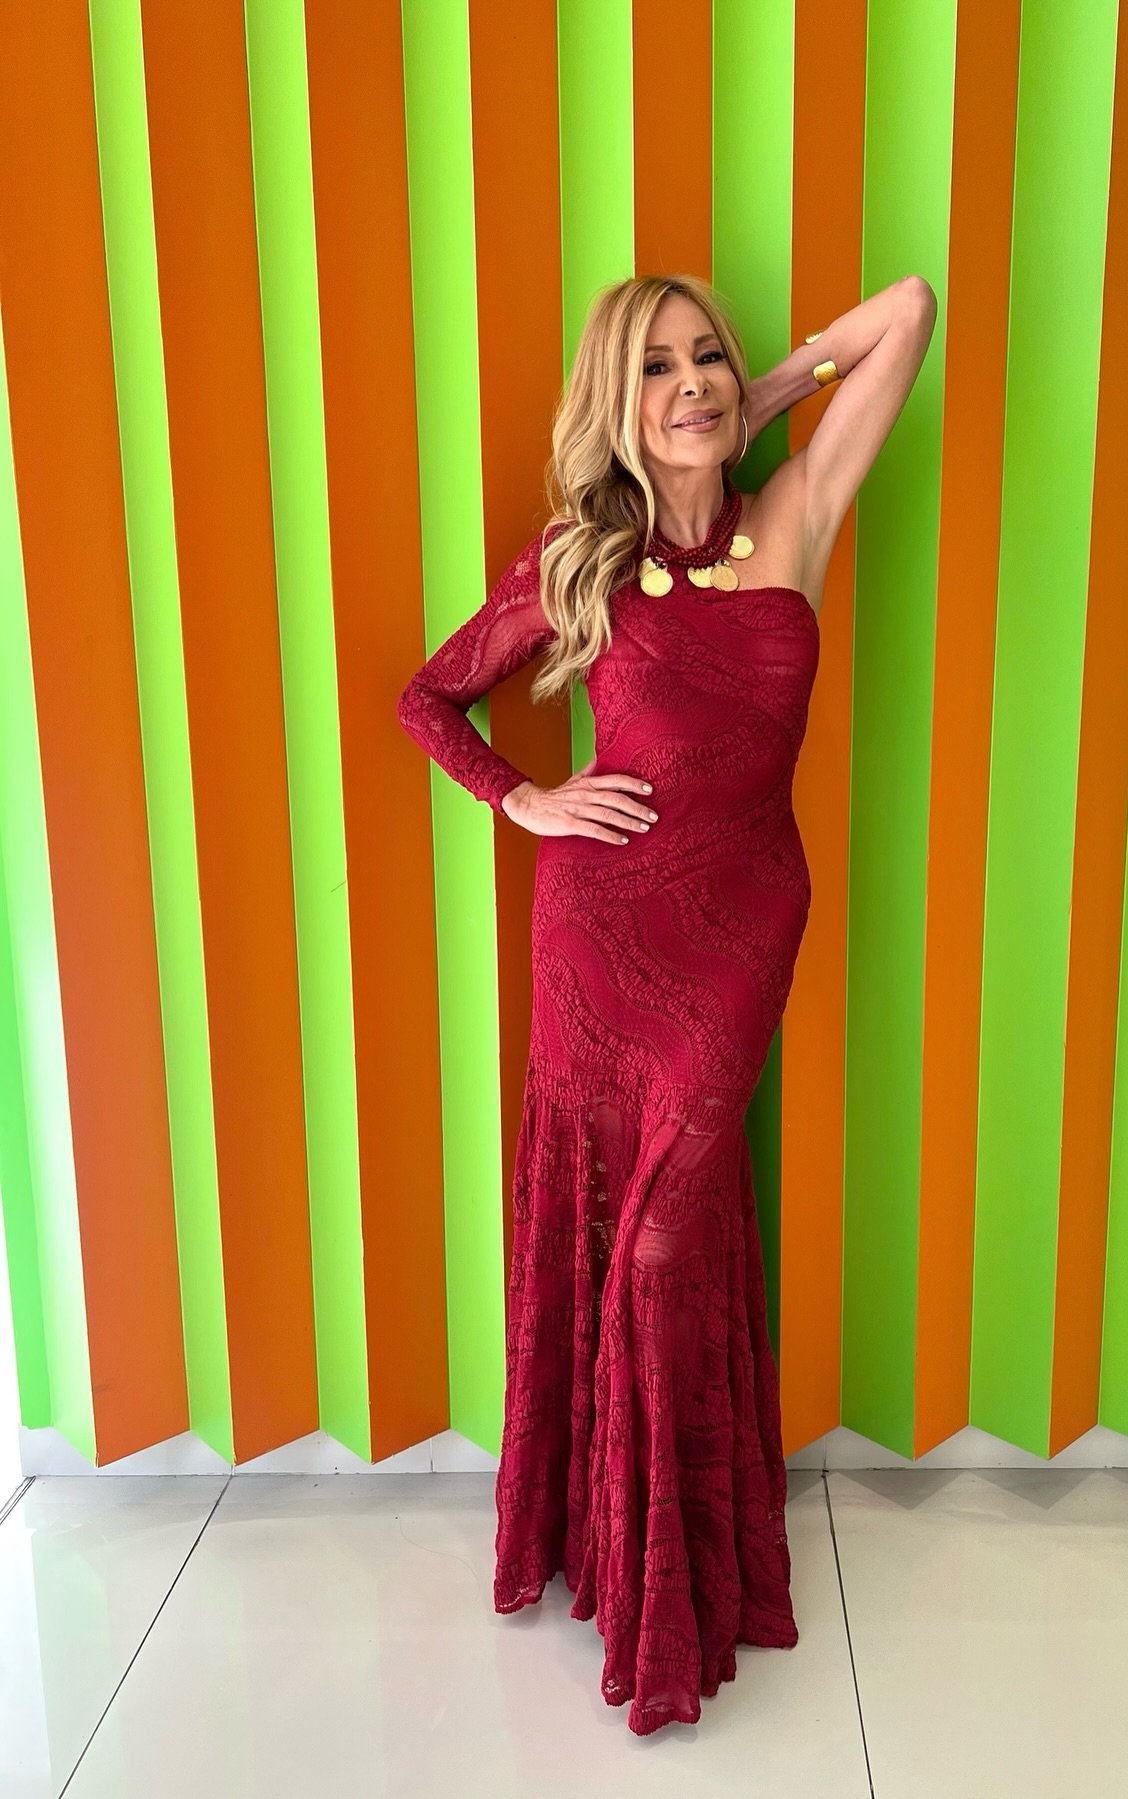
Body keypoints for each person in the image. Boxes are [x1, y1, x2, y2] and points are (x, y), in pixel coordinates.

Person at [396, 271, 936, 1734]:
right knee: (614, 1230)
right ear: (611, 399)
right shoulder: (582, 557)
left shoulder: (799, 510)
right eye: (653, 367)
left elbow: (909, 308)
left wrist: (753, 404)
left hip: (744, 924)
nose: (687, 381)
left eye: (705, 356)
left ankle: (671, 1564)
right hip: (597, 931)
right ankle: (612, 1544)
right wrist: (526, 800)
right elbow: (429, 698)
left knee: (661, 1239)